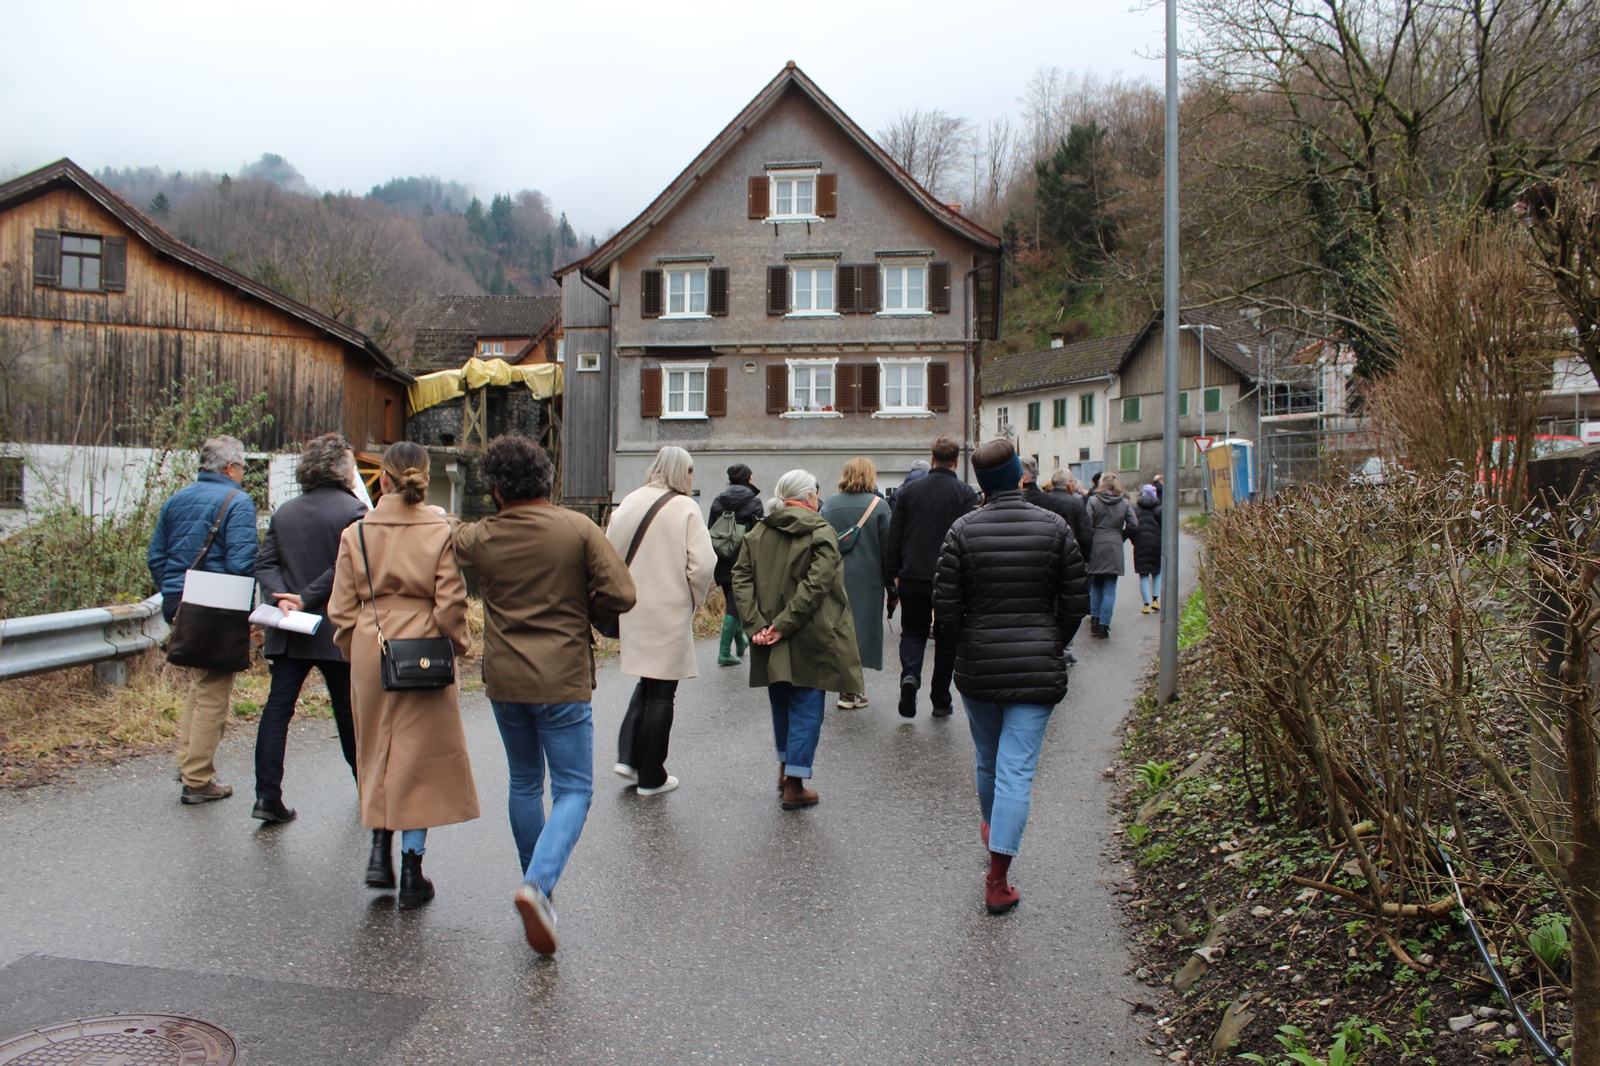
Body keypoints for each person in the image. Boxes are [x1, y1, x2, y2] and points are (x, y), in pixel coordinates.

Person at [451, 436, 636, 955]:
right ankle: (537, 885)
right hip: (562, 677)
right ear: (546, 481)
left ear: (494, 489)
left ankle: (536, 887)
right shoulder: (577, 528)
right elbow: (623, 593)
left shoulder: (480, 536)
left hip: (505, 679)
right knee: (574, 789)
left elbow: (445, 538)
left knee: (525, 782)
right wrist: (585, 603)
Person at [934, 439, 1088, 915]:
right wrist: (1052, 640)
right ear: (1021, 474)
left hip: (979, 665)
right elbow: (1075, 601)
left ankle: (991, 827)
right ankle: (997, 879)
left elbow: (946, 608)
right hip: (1037, 666)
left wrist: (966, 646)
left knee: (988, 759)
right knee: (1015, 770)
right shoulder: (1055, 527)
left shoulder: (962, 530)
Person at [328, 441, 479, 910]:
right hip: (425, 649)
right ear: (425, 477)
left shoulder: (356, 533)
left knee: (375, 748)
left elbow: (341, 609)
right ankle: (412, 870)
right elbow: (451, 603)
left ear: (384, 479)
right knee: (421, 762)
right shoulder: (439, 531)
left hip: (371, 646)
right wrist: (458, 645)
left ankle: (379, 850)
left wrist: (358, 647)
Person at [252, 433, 367, 824]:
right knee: (348, 714)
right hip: (335, 627)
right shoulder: (354, 512)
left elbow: (265, 563)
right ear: (342, 469)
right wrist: (307, 596)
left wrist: (282, 598)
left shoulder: (285, 512)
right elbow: (347, 567)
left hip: (288, 627)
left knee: (277, 711)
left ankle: (267, 796)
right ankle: (368, 790)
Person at [733, 470, 863, 810]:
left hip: (768, 634)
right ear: (808, 497)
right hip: (812, 632)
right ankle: (795, 783)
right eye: (816, 494)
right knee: (806, 704)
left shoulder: (758, 532)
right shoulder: (821, 531)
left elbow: (741, 577)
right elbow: (817, 584)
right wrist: (784, 624)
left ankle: (784, 769)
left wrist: (757, 625)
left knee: (781, 699)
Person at [148, 435, 259, 806]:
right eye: (242, 467)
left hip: (180, 605)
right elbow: (242, 564)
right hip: (217, 608)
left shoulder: (176, 499)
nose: (243, 474)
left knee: (200, 686)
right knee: (213, 692)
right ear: (230, 468)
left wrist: (174, 591)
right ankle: (197, 779)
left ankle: (188, 763)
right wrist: (245, 613)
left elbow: (156, 557)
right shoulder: (237, 501)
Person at [606, 446, 716, 797]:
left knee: (648, 678)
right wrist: (695, 597)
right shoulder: (686, 507)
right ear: (683, 472)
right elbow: (703, 564)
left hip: (633, 606)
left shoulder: (629, 502)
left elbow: (607, 556)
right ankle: (651, 776)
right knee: (663, 691)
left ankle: (628, 757)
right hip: (669, 607)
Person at [885, 436, 978, 718]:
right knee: (946, 638)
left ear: (932, 457)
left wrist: (893, 573)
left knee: (913, 632)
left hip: (913, 573)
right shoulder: (965, 494)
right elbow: (970, 538)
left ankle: (910, 675)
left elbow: (895, 534)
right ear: (957, 461)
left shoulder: (909, 491)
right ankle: (940, 699)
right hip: (951, 576)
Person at [820, 457, 894, 709]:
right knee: (860, 633)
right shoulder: (879, 506)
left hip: (834, 578)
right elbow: (888, 550)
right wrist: (892, 586)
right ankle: (849, 691)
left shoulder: (829, 504)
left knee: (839, 631)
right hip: (868, 580)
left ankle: (847, 688)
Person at [707, 464, 764, 666]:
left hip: (721, 559)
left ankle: (740, 642)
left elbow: (710, 529)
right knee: (735, 604)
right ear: (749, 479)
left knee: (733, 601)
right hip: (743, 559)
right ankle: (724, 652)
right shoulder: (754, 502)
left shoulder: (718, 501)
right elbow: (759, 534)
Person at [1084, 472, 1138, 639]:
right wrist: (1121, 535)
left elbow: (1087, 524)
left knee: (1096, 584)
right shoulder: (1124, 502)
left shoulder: (1093, 501)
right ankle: (1104, 625)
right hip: (1115, 544)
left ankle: (1094, 619)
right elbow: (1134, 524)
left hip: (1097, 544)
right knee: (1110, 586)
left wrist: (1092, 538)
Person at [1132, 483, 1164, 613]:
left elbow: (1132, 526)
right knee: (1157, 572)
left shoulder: (1135, 509)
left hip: (1140, 542)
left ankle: (1146, 604)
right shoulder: (1159, 508)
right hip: (1157, 543)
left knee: (1143, 575)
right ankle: (1155, 600)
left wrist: (1134, 540)